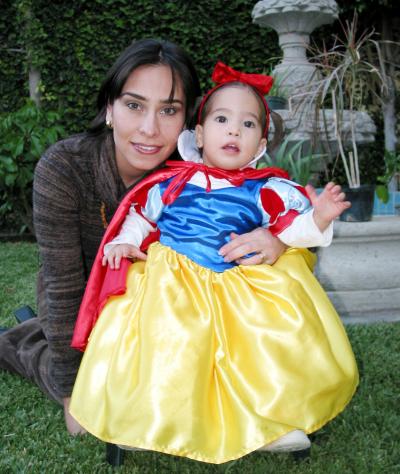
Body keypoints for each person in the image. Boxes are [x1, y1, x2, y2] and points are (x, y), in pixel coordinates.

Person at [69, 62, 359, 464]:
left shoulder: (266, 188)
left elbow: (293, 227)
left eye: (248, 124)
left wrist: (320, 215)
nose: (234, 130)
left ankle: (275, 420)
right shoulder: (173, 180)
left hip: (237, 279)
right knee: (159, 341)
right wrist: (124, 240)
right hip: (172, 277)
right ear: (200, 135)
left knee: (262, 341)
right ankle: (140, 416)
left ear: (260, 145)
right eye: (222, 119)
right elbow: (141, 214)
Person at [0, 40, 286, 436]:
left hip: (173, 315)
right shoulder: (65, 168)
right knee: (94, 405)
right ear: (109, 109)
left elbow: (278, 193)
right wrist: (71, 393)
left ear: (191, 121)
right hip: (87, 301)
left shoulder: (203, 169)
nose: (150, 129)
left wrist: (277, 240)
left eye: (168, 110)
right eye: (134, 105)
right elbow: (63, 285)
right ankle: (19, 341)